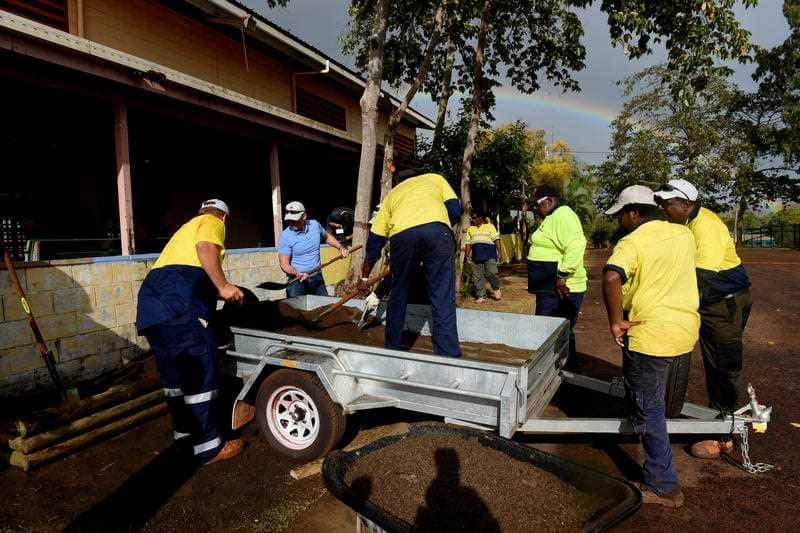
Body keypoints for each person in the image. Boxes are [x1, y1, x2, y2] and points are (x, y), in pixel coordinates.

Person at [602, 185, 700, 508]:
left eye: (621, 216)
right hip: (684, 331)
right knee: (653, 397)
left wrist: (616, 321)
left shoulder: (633, 241)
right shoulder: (683, 235)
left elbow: (611, 278)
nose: (619, 222)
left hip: (650, 335)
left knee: (649, 408)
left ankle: (664, 486)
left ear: (634, 213)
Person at [136, 199, 245, 465]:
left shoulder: (185, 230)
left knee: (175, 379)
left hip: (151, 308)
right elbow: (205, 248)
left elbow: (193, 273)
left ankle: (185, 438)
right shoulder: (212, 223)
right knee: (199, 373)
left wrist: (216, 291)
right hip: (177, 306)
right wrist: (223, 285)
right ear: (225, 218)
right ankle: (208, 448)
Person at [655, 179, 752, 459]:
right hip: (711, 300)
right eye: (661, 203)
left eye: (668, 204)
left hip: (723, 304)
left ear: (687, 204)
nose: (663, 208)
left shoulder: (705, 227)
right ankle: (715, 417)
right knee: (710, 361)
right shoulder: (684, 223)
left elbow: (702, 280)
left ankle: (723, 435)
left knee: (723, 365)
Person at [360, 169, 462, 357]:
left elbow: (375, 239)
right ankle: (448, 354)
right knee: (442, 295)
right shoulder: (435, 178)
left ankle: (393, 347)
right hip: (438, 231)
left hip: (403, 237)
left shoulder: (392, 195)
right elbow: (455, 209)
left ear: (398, 182)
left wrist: (365, 275)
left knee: (399, 293)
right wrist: (442, 227)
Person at [526, 185, 587, 361]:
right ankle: (561, 366)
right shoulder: (553, 217)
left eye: (538, 205)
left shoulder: (564, 216)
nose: (536, 209)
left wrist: (562, 276)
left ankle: (560, 369)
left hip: (562, 288)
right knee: (553, 330)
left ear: (549, 201)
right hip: (549, 287)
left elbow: (576, 245)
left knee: (553, 331)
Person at [278, 201, 348, 298]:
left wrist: (340, 247)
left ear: (304, 216)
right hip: (297, 281)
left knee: (324, 307)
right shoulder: (285, 236)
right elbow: (284, 264)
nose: (291, 223)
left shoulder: (314, 225)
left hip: (317, 277)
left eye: (295, 220)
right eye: (289, 220)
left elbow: (326, 237)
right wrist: (297, 273)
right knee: (295, 311)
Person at [465, 211, 502, 302]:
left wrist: (500, 252)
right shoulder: (471, 229)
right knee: (478, 277)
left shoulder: (490, 226)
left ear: (480, 218)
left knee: (491, 273)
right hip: (476, 256)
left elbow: (496, 239)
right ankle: (481, 295)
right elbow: (468, 243)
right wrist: (467, 255)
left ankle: (496, 288)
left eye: (474, 217)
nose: (472, 220)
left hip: (489, 255)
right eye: (472, 218)